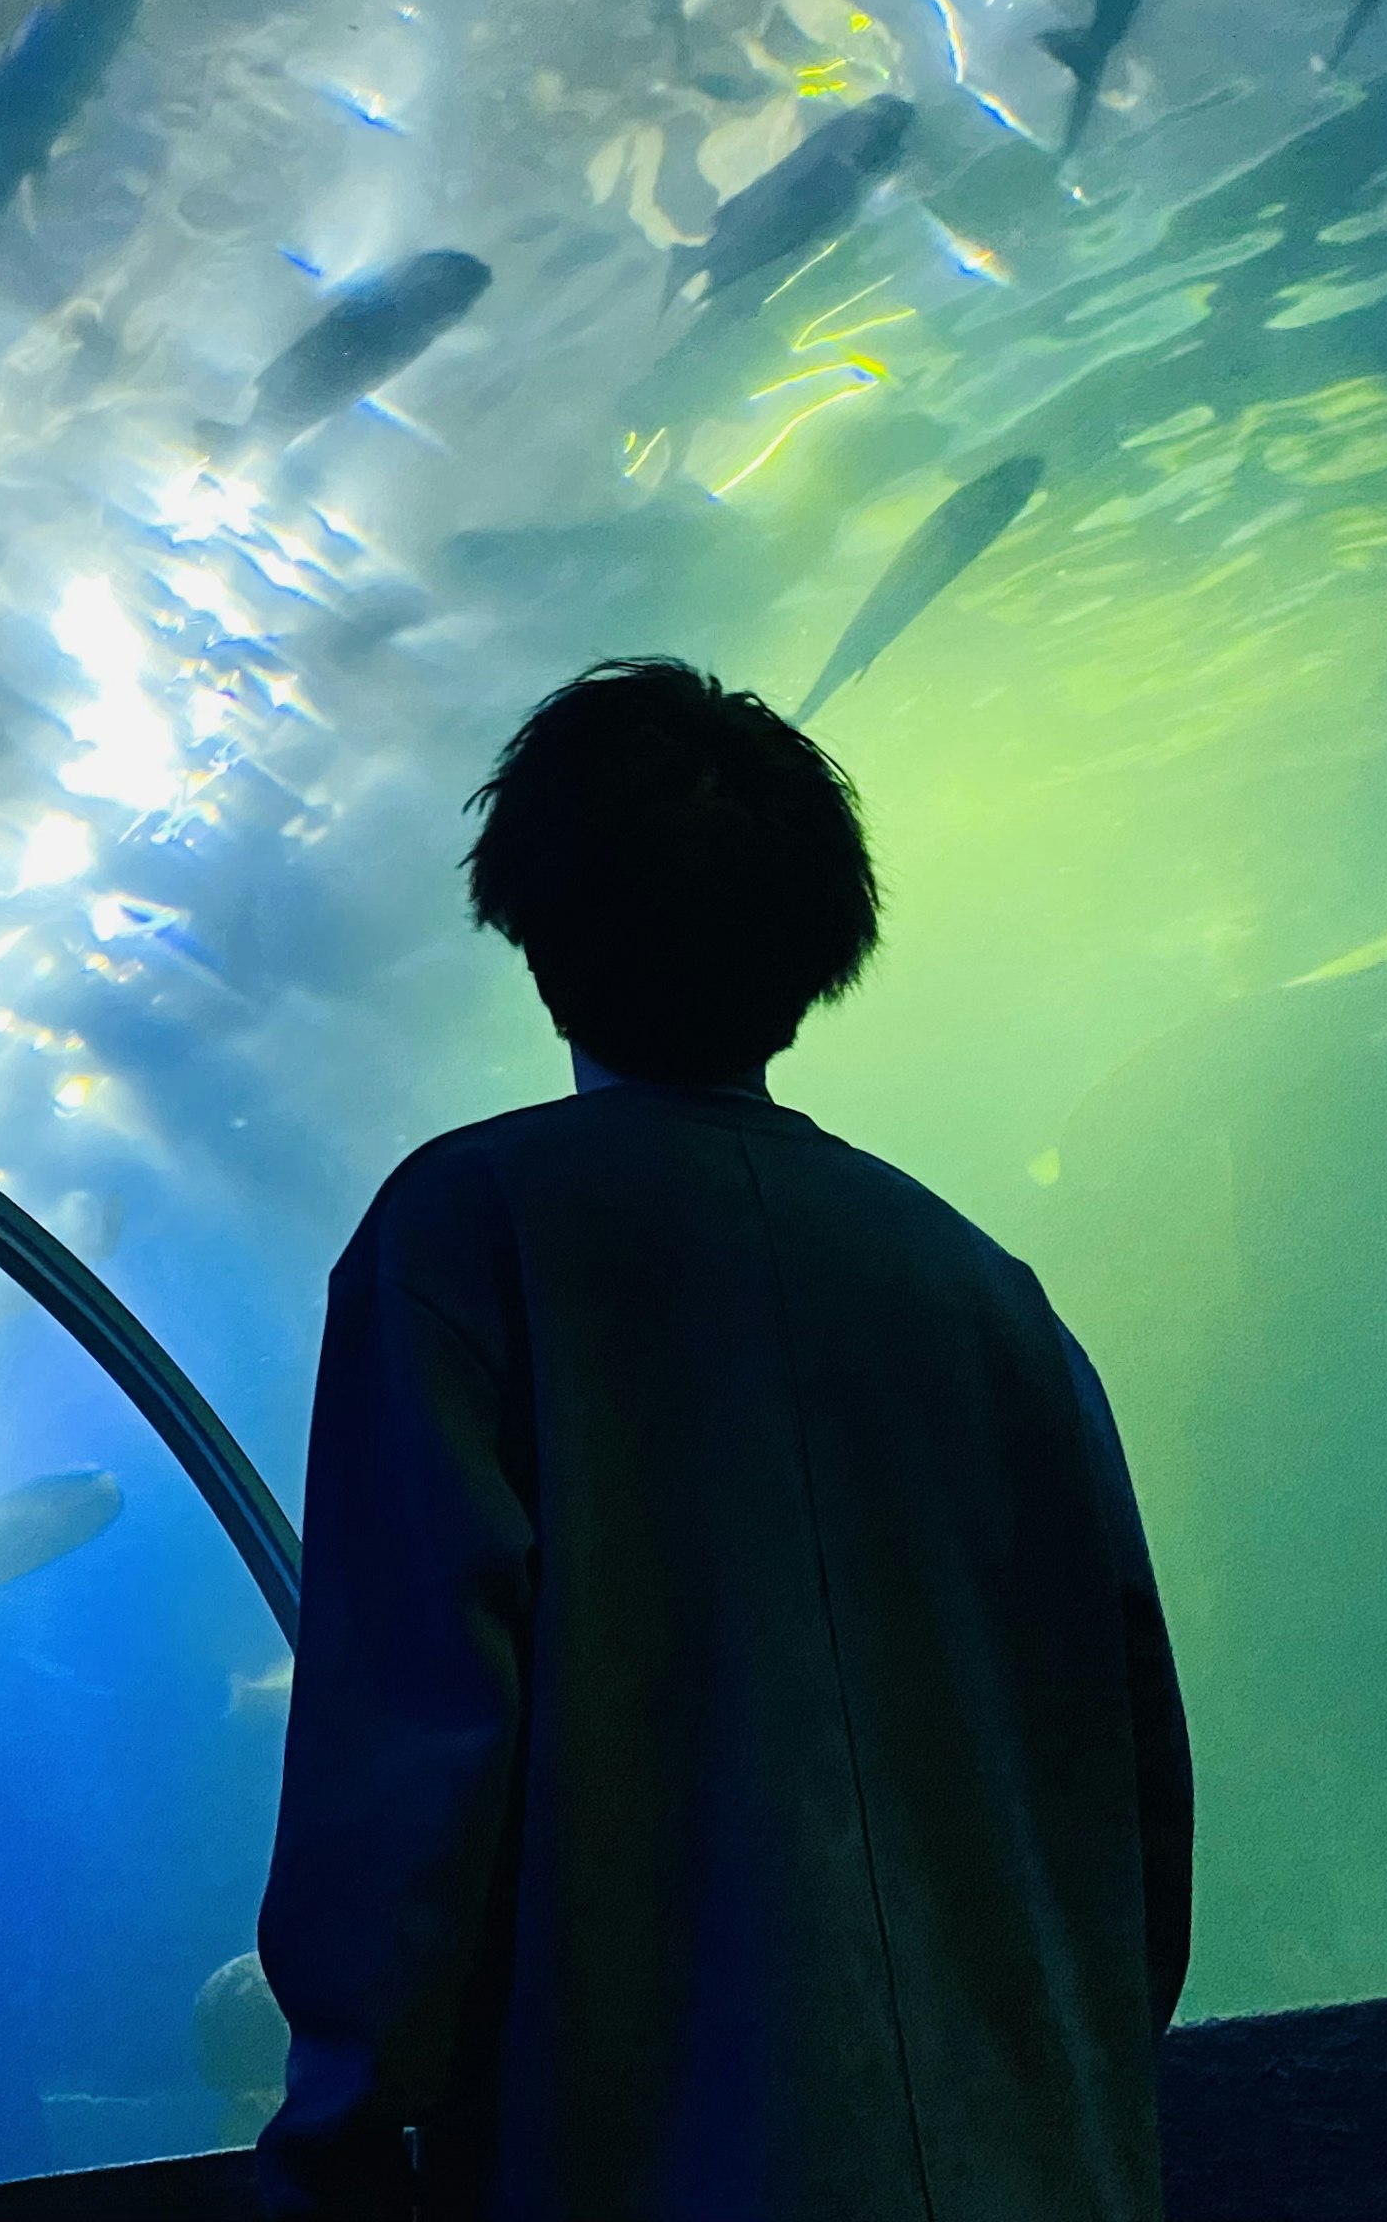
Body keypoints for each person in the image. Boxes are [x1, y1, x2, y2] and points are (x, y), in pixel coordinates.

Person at [255, 660, 1194, 2221]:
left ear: (537, 936)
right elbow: (1132, 1794)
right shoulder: (992, 1299)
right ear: (818, 947)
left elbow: (413, 1752)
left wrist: (341, 2134)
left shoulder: (466, 1237)